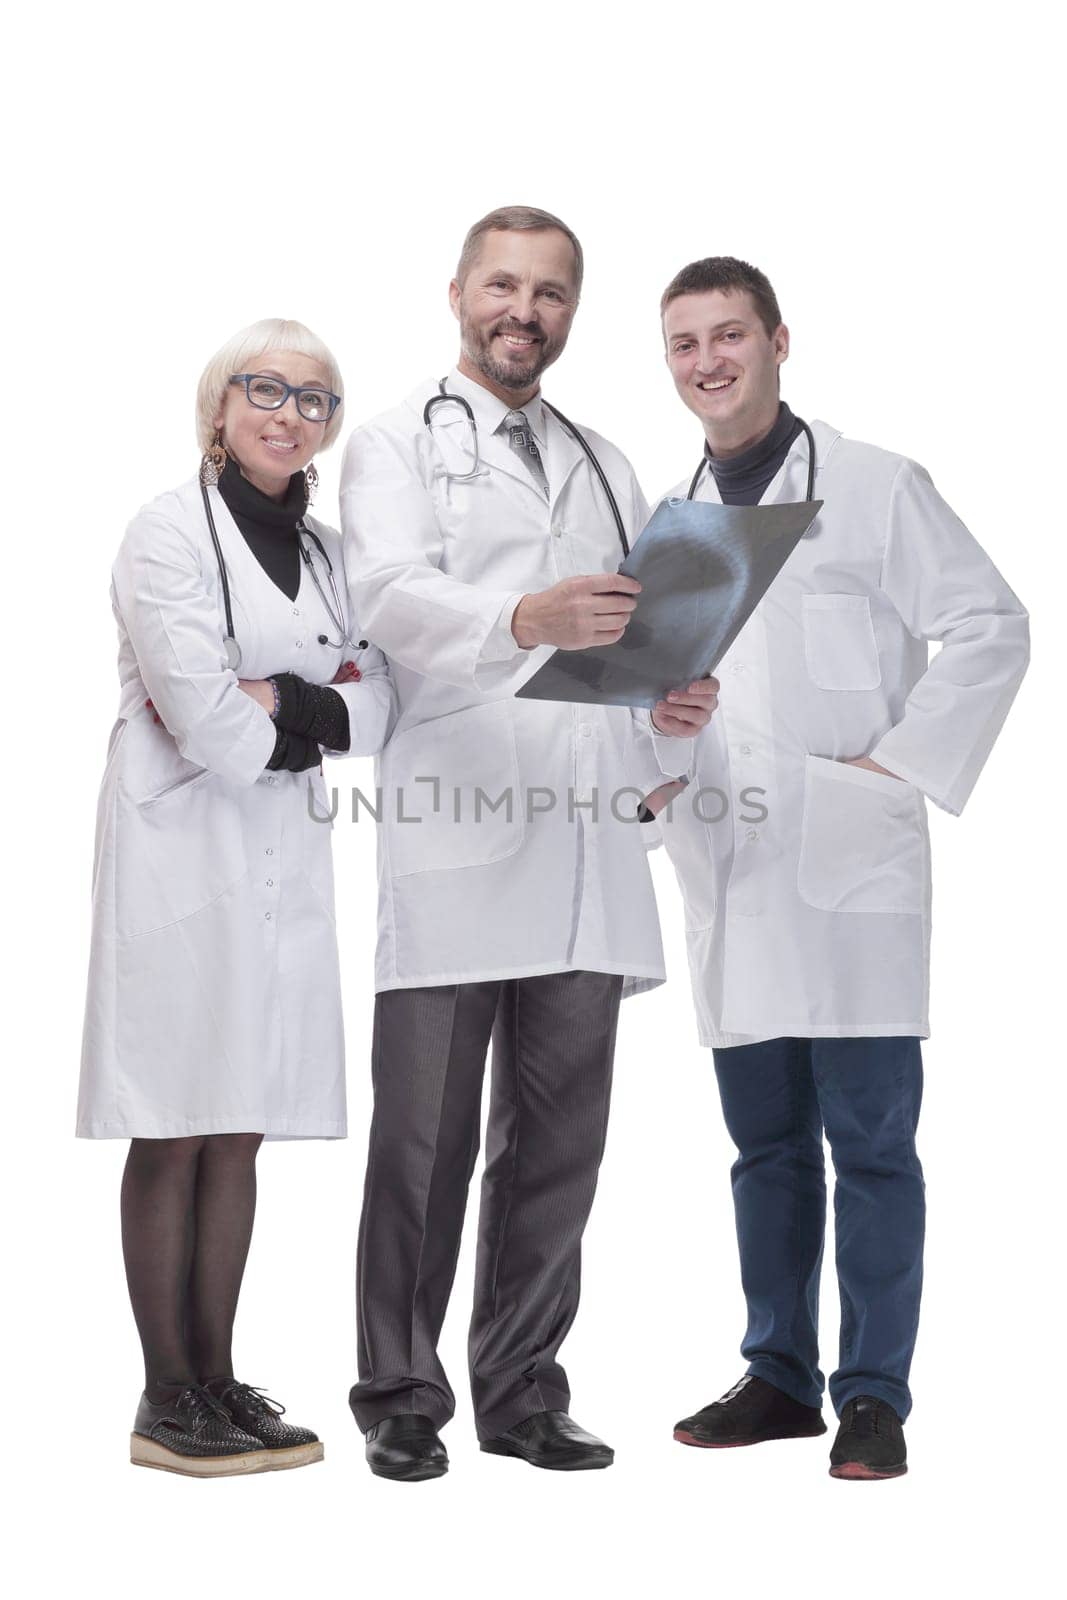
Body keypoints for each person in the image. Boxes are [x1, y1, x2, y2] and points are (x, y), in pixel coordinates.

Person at [341, 206, 717, 1481]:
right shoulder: (395, 446)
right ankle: (399, 1389)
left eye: (550, 293)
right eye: (503, 285)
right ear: (457, 292)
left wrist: (667, 699)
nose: (525, 310)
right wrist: (522, 613)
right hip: (458, 824)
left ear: (570, 311)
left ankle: (521, 1387)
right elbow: (387, 600)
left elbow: (633, 640)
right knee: (425, 1140)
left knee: (559, 1145)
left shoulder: (610, 464)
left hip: (585, 842)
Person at [647, 257, 1029, 1479]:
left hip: (851, 864)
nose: (707, 362)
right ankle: (775, 1375)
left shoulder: (871, 486)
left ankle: (872, 1393)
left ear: (776, 341)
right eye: (684, 344)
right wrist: (663, 720)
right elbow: (655, 705)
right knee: (761, 1148)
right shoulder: (673, 523)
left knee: (869, 1145)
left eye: (728, 337)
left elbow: (989, 623)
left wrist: (901, 767)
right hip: (734, 873)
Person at [77, 318, 394, 1477]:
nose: (287, 411)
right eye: (265, 389)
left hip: (276, 853)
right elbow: (208, 723)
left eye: (313, 398)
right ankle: (164, 1394)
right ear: (220, 408)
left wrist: (292, 702)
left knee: (239, 1120)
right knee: (175, 1120)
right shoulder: (165, 534)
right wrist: (314, 705)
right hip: (180, 859)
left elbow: (388, 707)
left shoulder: (330, 552)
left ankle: (216, 1378)